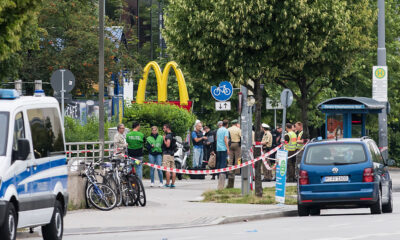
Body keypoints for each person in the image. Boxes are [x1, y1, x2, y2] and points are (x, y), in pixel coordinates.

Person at [162, 123, 177, 188]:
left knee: (167, 169)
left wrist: (164, 139)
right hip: (172, 154)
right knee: (173, 169)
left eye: (164, 128)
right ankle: (173, 184)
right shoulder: (173, 135)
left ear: (167, 128)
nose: (163, 129)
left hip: (167, 154)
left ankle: (167, 184)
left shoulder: (168, 136)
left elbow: (167, 145)